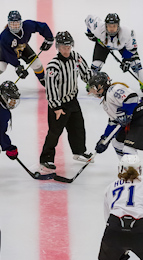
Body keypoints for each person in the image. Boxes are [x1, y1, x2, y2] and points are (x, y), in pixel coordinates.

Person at [39, 31, 93, 171]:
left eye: (68, 46)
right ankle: (46, 159)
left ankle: (79, 151)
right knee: (55, 133)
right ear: (58, 47)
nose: (66, 50)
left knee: (78, 127)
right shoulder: (53, 66)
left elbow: (85, 73)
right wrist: (56, 107)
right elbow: (50, 89)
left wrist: (92, 84)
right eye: (63, 47)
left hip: (72, 100)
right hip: (58, 105)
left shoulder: (76, 57)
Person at [87, 72, 143, 160]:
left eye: (95, 87)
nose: (93, 91)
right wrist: (104, 140)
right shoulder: (105, 103)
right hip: (132, 120)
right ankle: (125, 167)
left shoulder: (114, 89)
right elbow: (113, 122)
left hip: (141, 117)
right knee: (117, 143)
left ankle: (132, 171)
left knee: (128, 148)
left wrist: (127, 113)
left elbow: (132, 97)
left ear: (103, 85)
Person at [0, 10, 54, 86]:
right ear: (8, 24)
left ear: (21, 23)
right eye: (12, 23)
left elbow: (42, 26)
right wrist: (17, 66)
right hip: (4, 49)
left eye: (17, 23)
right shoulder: (5, 36)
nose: (15, 26)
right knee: (1, 66)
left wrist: (49, 38)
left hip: (22, 46)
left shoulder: (27, 25)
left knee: (36, 64)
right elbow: (8, 54)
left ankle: (43, 79)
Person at [85, 13, 143, 92]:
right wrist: (90, 33)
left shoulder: (127, 32)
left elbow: (132, 49)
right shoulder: (98, 27)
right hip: (103, 45)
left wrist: (127, 60)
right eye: (109, 26)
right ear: (105, 25)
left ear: (118, 25)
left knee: (136, 64)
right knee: (96, 65)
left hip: (122, 47)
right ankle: (90, 83)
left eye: (114, 26)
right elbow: (89, 19)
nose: (111, 28)